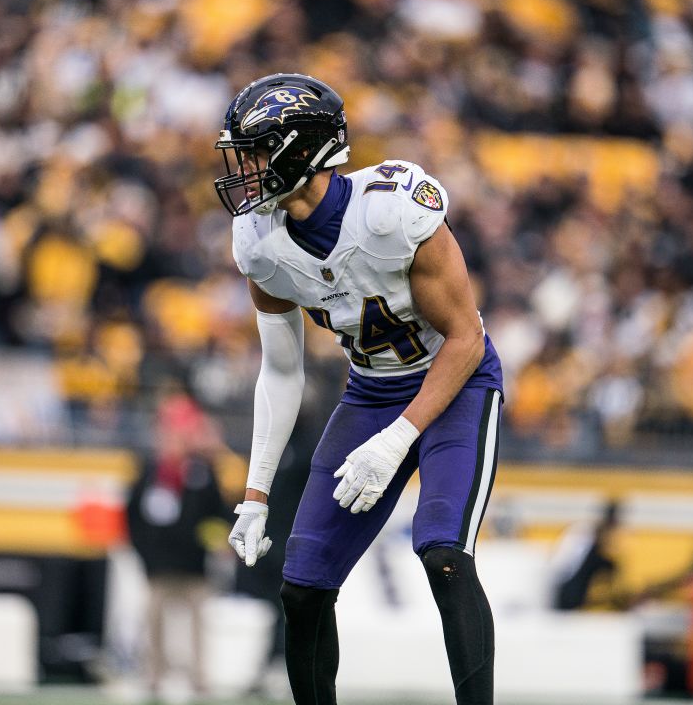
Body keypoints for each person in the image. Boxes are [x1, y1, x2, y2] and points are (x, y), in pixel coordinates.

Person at [217, 73, 505, 705]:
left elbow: (465, 339)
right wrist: (257, 492)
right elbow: (282, 370)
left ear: (303, 150)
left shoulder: (392, 208)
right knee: (302, 586)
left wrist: (398, 439)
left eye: (259, 152)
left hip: (453, 383)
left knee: (443, 554)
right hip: (371, 393)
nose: (247, 169)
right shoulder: (261, 245)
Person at [125, 393, 231, 699]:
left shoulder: (202, 470)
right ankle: (153, 675)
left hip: (195, 565)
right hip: (158, 565)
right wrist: (143, 555)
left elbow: (218, 512)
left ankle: (200, 678)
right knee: (153, 621)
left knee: (199, 623)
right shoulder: (148, 471)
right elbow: (133, 515)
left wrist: (219, 542)